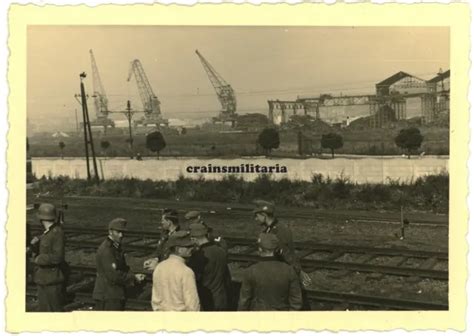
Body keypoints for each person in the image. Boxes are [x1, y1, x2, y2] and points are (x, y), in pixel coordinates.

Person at [253, 200, 312, 309]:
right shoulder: (269, 230)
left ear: (264, 215)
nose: (255, 219)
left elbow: (288, 255)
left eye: (256, 216)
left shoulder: (280, 231)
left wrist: (299, 272)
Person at [238, 233, 302, 311]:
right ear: (276, 250)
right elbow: (296, 301)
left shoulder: (250, 271)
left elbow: (244, 301)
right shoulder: (289, 270)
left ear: (260, 249)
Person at [92, 218, 145, 311]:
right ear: (110, 231)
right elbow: (114, 276)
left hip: (112, 295)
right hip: (108, 296)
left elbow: (122, 267)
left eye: (123, 232)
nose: (121, 235)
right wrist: (133, 278)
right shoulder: (107, 250)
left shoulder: (115, 247)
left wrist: (132, 275)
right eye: (118, 232)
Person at [187, 221, 232, 311]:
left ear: (194, 239)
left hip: (206, 299)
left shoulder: (198, 256)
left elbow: (194, 279)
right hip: (221, 298)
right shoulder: (221, 251)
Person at [151, 231, 200, 311]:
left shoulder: (159, 267)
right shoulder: (186, 272)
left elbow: (155, 299)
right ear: (179, 250)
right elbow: (192, 305)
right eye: (188, 247)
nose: (191, 249)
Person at [32, 203, 66, 312]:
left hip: (51, 280)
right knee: (44, 310)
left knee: (53, 311)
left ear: (41, 219)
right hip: (44, 279)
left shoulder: (57, 233)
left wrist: (38, 259)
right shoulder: (48, 232)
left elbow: (57, 257)